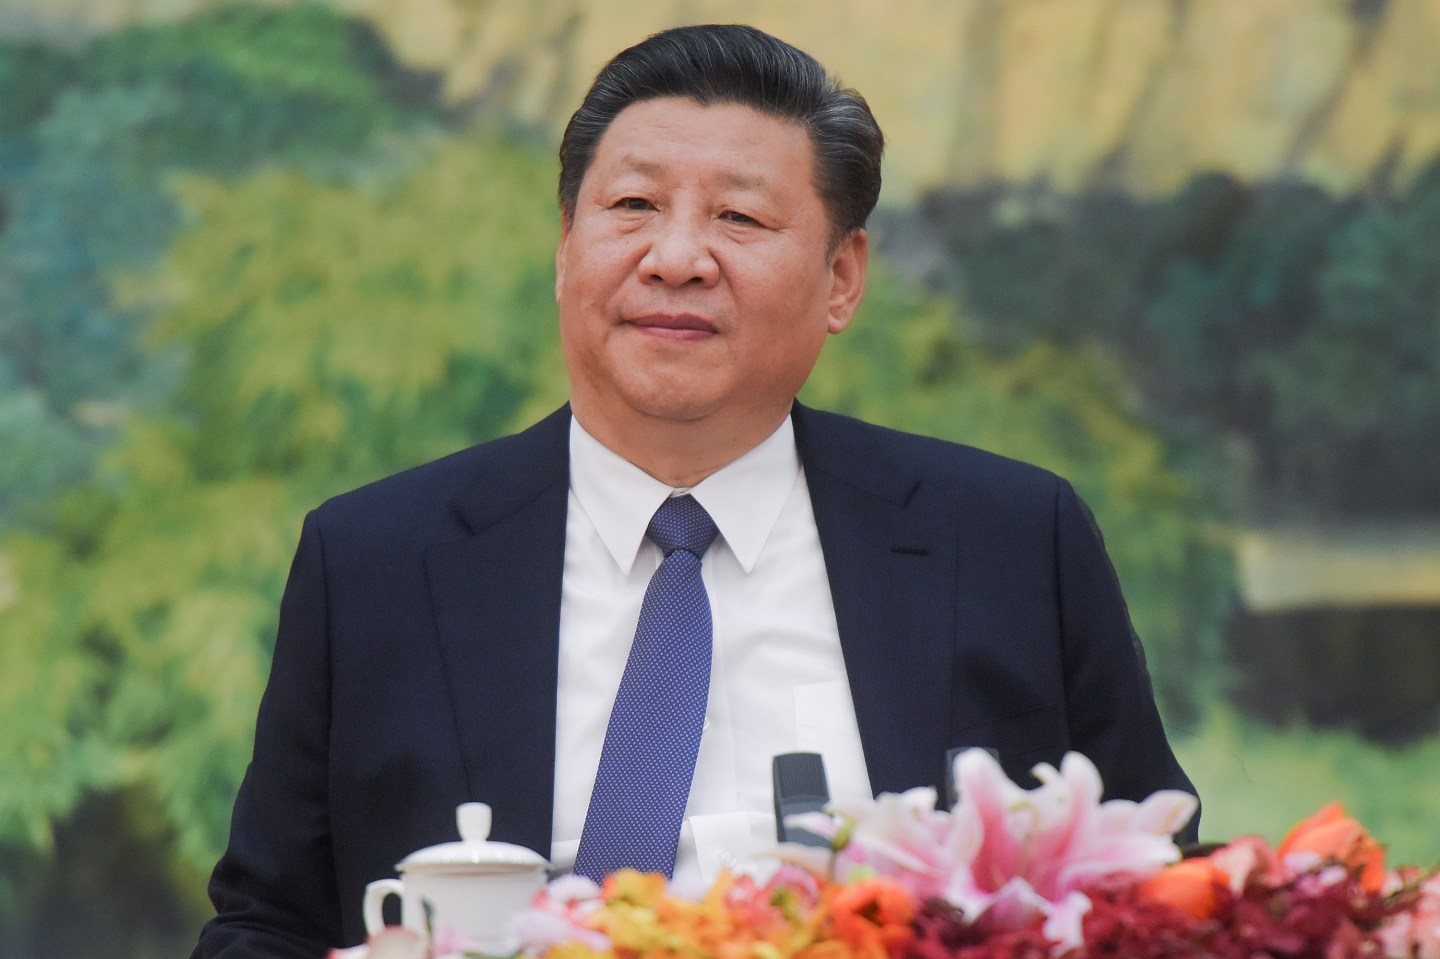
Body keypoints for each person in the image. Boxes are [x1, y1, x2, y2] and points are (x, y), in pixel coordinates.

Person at [192, 23, 1197, 958]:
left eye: (738, 216)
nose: (674, 259)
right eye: (632, 207)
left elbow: (1167, 894)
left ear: (843, 277)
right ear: (564, 249)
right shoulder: (375, 560)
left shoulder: (1012, 542)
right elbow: (267, 920)